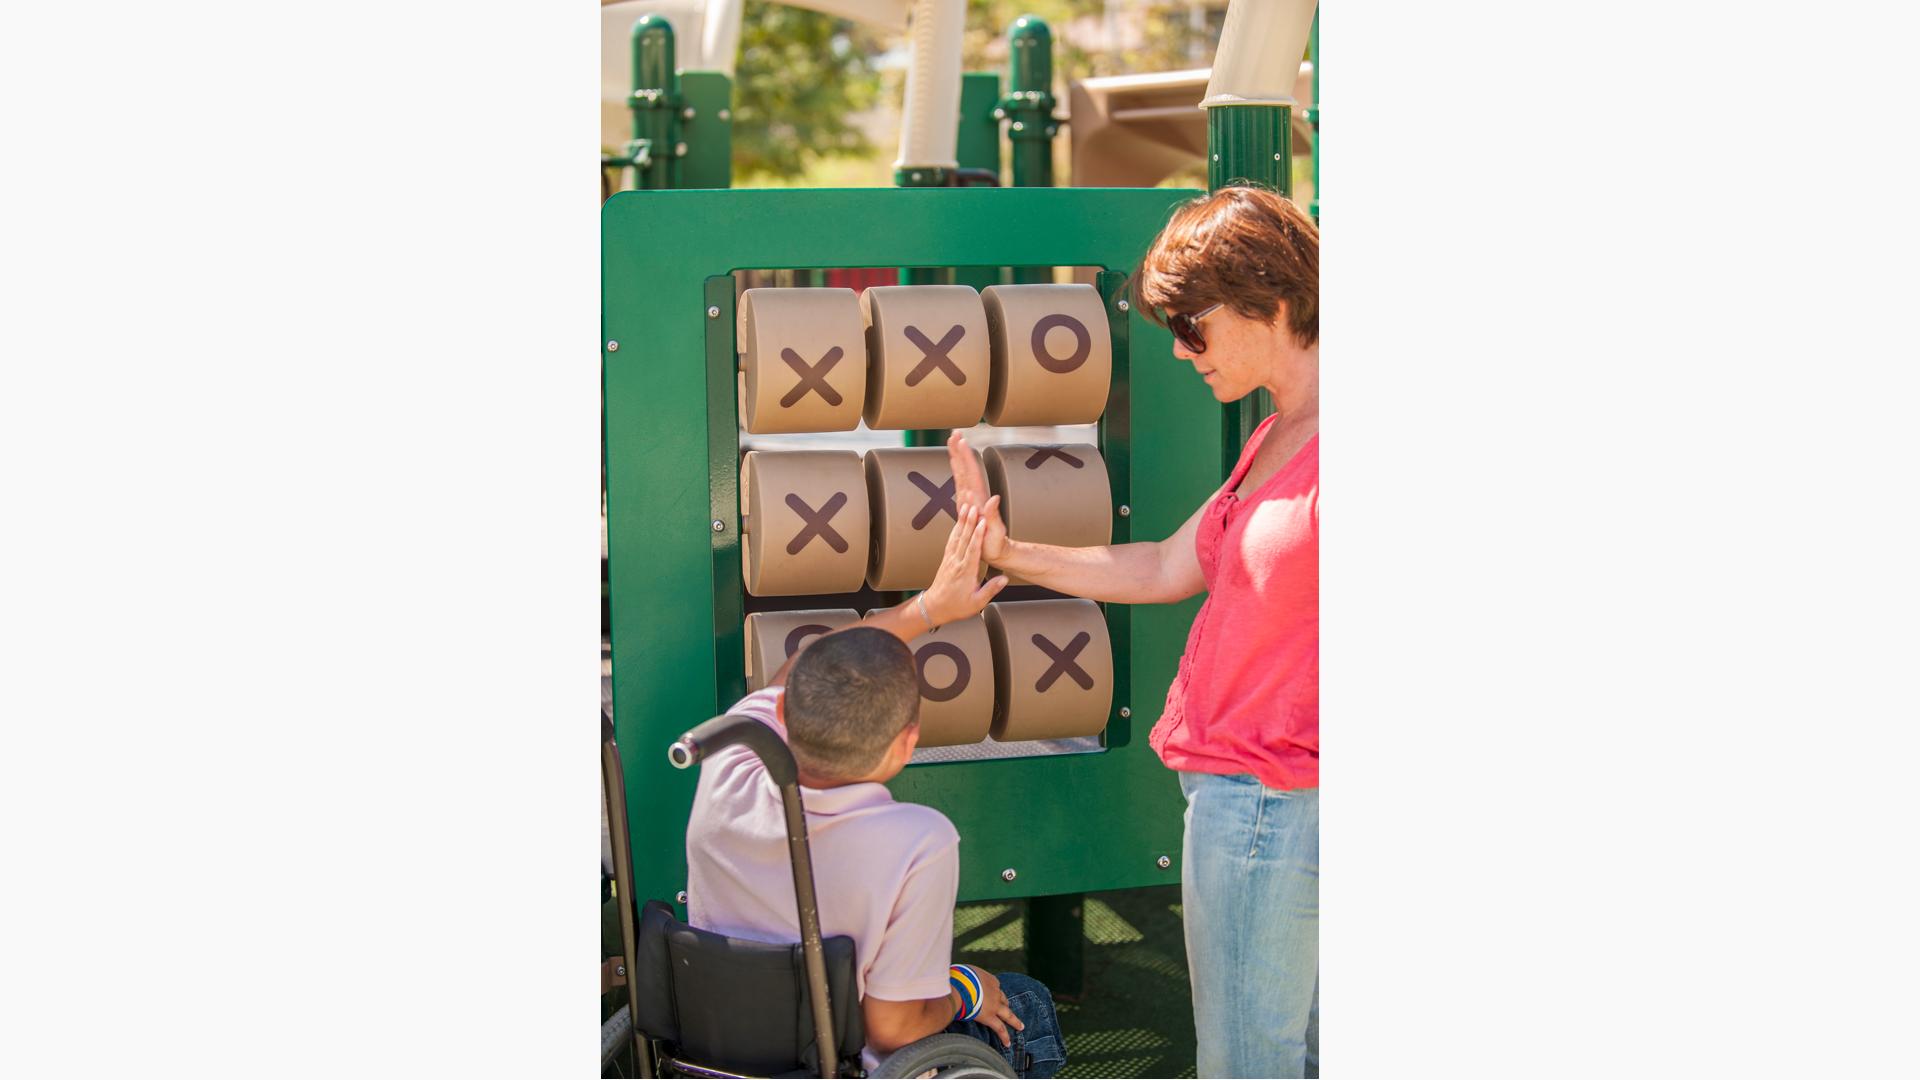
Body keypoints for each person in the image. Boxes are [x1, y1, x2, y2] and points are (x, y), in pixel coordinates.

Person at [948, 185, 1319, 1078]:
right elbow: (1161, 566)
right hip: (1248, 792)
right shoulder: (1275, 434)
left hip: (1275, 794)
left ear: (1267, 302)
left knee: (1250, 1061)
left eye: (1192, 325)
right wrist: (1008, 554)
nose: (1181, 349)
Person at [685, 500, 1068, 1078]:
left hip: (719, 1048)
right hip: (837, 1061)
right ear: (905, 746)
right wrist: (965, 988)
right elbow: (893, 1025)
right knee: (1025, 1001)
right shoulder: (919, 841)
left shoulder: (730, 763)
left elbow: (803, 665)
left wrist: (926, 608)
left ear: (782, 711)